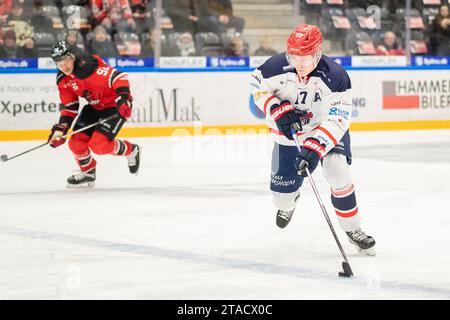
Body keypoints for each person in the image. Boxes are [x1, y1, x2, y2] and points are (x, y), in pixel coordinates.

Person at [249, 24, 376, 255]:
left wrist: (315, 147)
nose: (299, 62)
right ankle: (290, 201)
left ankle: (353, 228)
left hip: (323, 132)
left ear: (317, 53)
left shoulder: (336, 76)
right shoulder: (274, 67)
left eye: (305, 56)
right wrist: (276, 107)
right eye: (294, 55)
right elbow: (256, 86)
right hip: (289, 136)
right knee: (282, 199)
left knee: (337, 171)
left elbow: (338, 118)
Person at [47, 40, 141, 188]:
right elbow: (70, 107)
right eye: (59, 63)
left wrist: (124, 99)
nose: (63, 66)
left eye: (65, 60)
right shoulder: (62, 79)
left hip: (113, 107)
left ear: (71, 56)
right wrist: (61, 129)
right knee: (75, 143)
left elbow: (119, 77)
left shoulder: (87, 68)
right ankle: (88, 173)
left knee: (99, 146)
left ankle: (131, 150)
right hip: (94, 107)